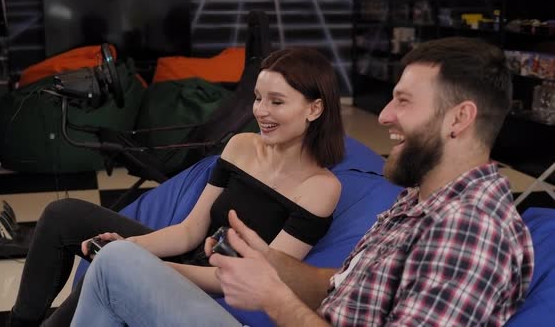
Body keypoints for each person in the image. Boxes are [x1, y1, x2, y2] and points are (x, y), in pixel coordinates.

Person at [72, 37, 535, 327]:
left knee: (117, 265)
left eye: (404, 102)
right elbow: (344, 283)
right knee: (115, 263)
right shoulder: (421, 201)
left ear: (460, 119)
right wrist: (269, 263)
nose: (384, 116)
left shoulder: (470, 231)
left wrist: (273, 298)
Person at [9, 47, 346, 327]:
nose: (260, 111)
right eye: (258, 98)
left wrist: (141, 264)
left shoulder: (320, 188)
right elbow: (189, 231)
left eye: (277, 101)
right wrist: (131, 245)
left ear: (314, 108)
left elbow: (261, 277)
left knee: (110, 263)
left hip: (218, 284)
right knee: (62, 213)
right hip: (188, 256)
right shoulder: (242, 146)